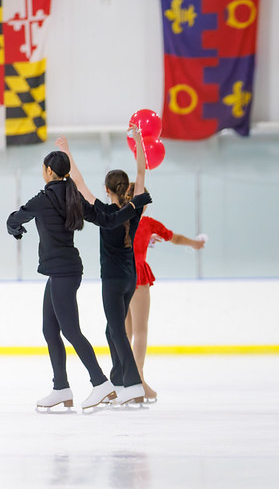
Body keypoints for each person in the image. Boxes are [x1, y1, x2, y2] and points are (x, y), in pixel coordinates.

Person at [7, 148, 151, 412]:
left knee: (71, 330)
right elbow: (108, 220)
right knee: (50, 329)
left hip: (63, 272)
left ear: (49, 171)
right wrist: (133, 206)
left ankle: (100, 383)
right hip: (62, 271)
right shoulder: (72, 197)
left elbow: (18, 216)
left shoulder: (45, 197)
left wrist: (13, 228)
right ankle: (60, 387)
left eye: (43, 168)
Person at [58, 130, 149, 406]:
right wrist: (140, 141)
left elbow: (79, 181)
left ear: (107, 190)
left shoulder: (101, 212)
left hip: (111, 279)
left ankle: (133, 384)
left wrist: (67, 152)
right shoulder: (134, 209)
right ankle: (120, 380)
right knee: (113, 330)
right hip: (130, 278)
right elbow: (142, 173)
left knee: (117, 330)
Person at [125, 189, 206, 402]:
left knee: (125, 332)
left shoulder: (118, 220)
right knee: (140, 331)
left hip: (119, 275)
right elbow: (174, 238)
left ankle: (124, 377)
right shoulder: (148, 223)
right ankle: (138, 380)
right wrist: (195, 243)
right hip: (138, 275)